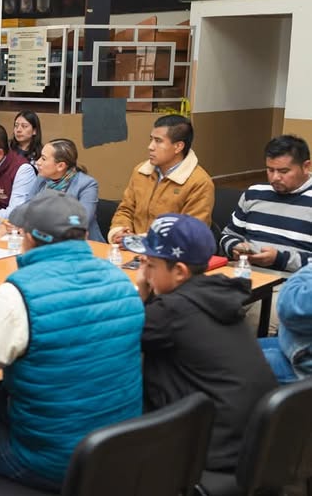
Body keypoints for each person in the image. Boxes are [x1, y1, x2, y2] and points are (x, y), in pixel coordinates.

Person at [0, 191, 144, 491]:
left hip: (52, 461)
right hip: (119, 450)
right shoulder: (122, 281)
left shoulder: (19, 296)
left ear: (29, 237)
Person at [127, 213, 277, 471]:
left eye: (149, 264)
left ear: (179, 271)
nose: (144, 271)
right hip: (254, 444)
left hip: (209, 450)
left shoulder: (170, 312)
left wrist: (142, 292)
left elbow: (124, 340)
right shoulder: (215, 293)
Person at [108, 115, 214, 244]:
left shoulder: (199, 182)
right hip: (132, 248)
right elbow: (125, 210)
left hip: (170, 256)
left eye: (158, 141)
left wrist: (141, 241)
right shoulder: (140, 171)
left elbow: (191, 231)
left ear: (178, 147)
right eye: (151, 139)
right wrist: (120, 232)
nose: (150, 146)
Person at [220, 134, 312, 273]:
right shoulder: (254, 194)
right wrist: (234, 247)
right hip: (246, 273)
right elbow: (226, 235)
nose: (275, 177)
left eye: (284, 171)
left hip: (295, 283)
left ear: (306, 166)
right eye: (270, 170)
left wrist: (280, 259)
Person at [32, 138, 104, 241]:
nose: (38, 162)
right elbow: (26, 208)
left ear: (60, 166)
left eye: (43, 159)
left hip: (85, 246)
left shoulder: (86, 184)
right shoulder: (42, 179)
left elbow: (82, 221)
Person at [259, 264, 312, 383]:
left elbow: (291, 308)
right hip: (295, 343)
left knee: (225, 362)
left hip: (304, 368)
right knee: (235, 348)